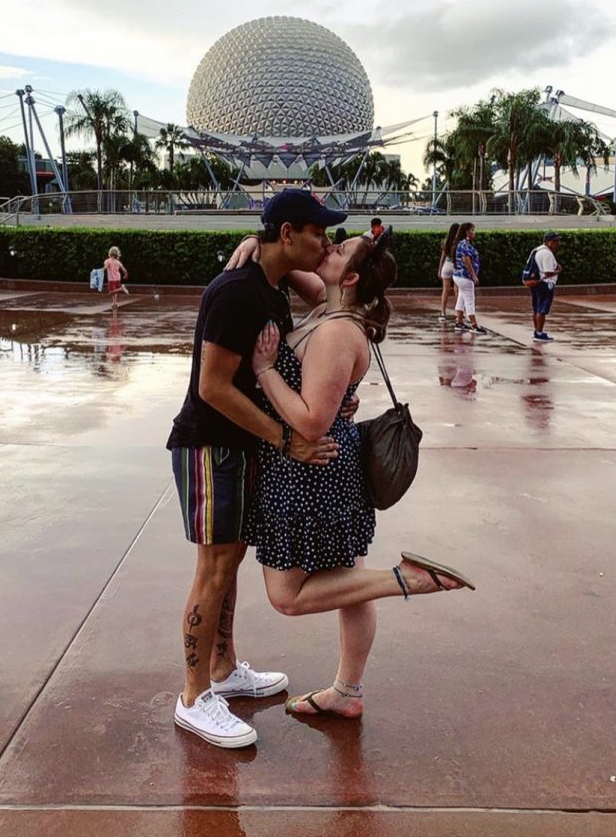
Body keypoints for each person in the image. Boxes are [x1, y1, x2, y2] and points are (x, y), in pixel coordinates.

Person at [241, 227, 474, 721]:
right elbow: (288, 267)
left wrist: (265, 371)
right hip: (325, 467)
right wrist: (255, 244)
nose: (330, 245)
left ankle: (404, 580)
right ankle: (347, 691)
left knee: (287, 596)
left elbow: (310, 421)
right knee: (346, 579)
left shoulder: (336, 331)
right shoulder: (332, 305)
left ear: (348, 276)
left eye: (340, 249)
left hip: (313, 469)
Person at [167, 189, 346, 749]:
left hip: (240, 447)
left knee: (230, 562)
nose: (326, 243)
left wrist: (263, 245)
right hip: (210, 446)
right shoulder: (238, 293)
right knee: (214, 568)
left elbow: (320, 296)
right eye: (318, 232)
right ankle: (194, 697)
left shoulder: (268, 286)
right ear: (289, 232)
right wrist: (285, 439)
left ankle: (222, 670)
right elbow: (211, 386)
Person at [452, 222, 488, 335]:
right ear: (467, 232)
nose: (474, 233)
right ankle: (474, 325)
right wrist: (473, 275)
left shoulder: (462, 243)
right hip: (465, 277)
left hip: (459, 276)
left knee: (461, 299)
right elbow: (466, 260)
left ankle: (459, 321)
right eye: (472, 230)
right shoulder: (464, 244)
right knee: (470, 300)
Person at [530, 232, 562, 342]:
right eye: (555, 241)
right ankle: (539, 333)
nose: (557, 244)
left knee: (536, 308)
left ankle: (537, 331)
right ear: (549, 242)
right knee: (542, 309)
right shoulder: (547, 254)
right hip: (545, 284)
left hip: (536, 283)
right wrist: (558, 270)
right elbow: (548, 272)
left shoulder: (537, 250)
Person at [437, 222, 459, 322]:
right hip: (456, 266)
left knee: (445, 290)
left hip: (446, 266)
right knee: (457, 291)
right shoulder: (459, 241)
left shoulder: (447, 241)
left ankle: (442, 313)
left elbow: (442, 258)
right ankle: (458, 314)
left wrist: (439, 269)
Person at [103, 246, 128, 310]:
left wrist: (100, 271)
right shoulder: (118, 262)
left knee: (111, 292)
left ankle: (121, 289)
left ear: (110, 253)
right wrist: (125, 275)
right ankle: (114, 303)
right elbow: (124, 270)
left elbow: (105, 268)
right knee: (115, 292)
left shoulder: (107, 261)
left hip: (111, 279)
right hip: (118, 279)